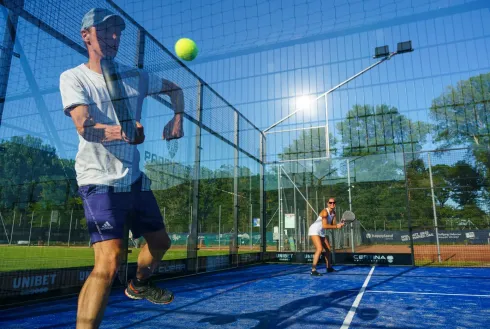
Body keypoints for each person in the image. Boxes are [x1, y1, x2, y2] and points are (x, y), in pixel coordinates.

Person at [59, 8, 184, 329]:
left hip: (134, 180)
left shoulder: (137, 76)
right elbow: (85, 126)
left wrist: (177, 116)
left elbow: (175, 89)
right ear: (86, 35)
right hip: (98, 180)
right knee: (110, 260)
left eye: (117, 31)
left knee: (161, 243)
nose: (113, 37)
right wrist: (121, 131)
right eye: (105, 31)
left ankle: (139, 285)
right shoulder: (74, 77)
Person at [308, 198, 344, 276]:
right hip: (314, 230)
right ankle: (313, 270)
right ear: (327, 204)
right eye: (330, 202)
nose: (332, 204)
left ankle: (329, 268)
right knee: (320, 248)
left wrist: (340, 224)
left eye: (334, 202)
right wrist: (336, 226)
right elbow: (325, 225)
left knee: (328, 249)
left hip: (321, 231)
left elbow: (332, 225)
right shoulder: (325, 212)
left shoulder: (334, 213)